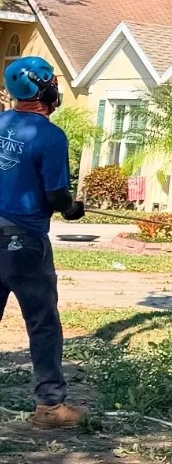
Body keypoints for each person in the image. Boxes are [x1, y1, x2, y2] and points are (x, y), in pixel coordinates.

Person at [0, 56, 86, 430]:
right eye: (53, 82)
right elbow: (56, 197)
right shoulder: (50, 136)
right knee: (43, 323)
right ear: (44, 89)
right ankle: (50, 408)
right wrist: (72, 209)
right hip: (24, 243)